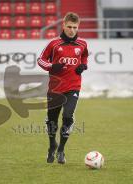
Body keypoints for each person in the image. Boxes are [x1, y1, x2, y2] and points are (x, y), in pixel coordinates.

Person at [38, 12, 88, 164]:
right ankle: (52, 145)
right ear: (63, 26)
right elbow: (41, 60)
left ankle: (61, 150)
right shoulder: (54, 44)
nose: (72, 30)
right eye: (69, 27)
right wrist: (52, 66)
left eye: (75, 27)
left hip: (73, 87)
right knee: (52, 120)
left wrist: (83, 66)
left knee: (67, 116)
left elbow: (84, 56)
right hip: (55, 88)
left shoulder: (82, 44)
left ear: (78, 27)